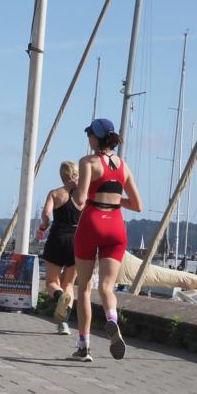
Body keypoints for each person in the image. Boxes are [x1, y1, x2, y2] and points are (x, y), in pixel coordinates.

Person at [70, 118, 142, 363]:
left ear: (95, 138)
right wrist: (113, 198)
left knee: (84, 287)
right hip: (115, 226)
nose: (88, 139)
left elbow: (79, 200)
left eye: (89, 134)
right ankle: (112, 320)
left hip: (92, 223)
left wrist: (73, 188)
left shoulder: (88, 162)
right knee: (107, 287)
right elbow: (137, 205)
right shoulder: (124, 166)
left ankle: (84, 347)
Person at [38, 161, 81, 336]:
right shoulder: (83, 196)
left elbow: (47, 214)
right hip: (77, 240)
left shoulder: (55, 194)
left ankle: (58, 297)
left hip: (57, 238)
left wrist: (44, 225)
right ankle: (64, 324)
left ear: (62, 176)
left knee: (51, 283)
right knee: (69, 283)